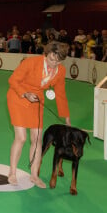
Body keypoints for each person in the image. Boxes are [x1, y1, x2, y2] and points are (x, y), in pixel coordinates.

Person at [7, 41, 71, 189]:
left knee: (37, 140)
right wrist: (25, 93)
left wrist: (66, 115)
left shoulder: (60, 71)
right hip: (18, 97)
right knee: (21, 138)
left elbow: (60, 93)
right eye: (51, 59)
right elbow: (13, 80)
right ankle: (12, 173)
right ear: (46, 54)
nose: (54, 64)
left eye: (58, 61)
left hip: (37, 101)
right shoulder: (31, 62)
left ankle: (34, 175)